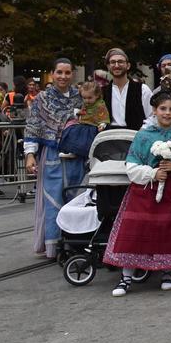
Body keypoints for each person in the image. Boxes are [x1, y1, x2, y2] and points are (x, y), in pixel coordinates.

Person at [105, 90, 171, 296]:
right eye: (163, 109)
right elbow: (132, 166)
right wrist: (153, 173)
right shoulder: (143, 136)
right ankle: (126, 277)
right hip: (145, 191)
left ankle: (167, 271)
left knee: (167, 231)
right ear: (154, 110)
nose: (167, 113)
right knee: (135, 232)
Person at [23, 59, 83, 259]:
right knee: (53, 199)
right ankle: (54, 247)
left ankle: (74, 244)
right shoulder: (42, 98)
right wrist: (30, 154)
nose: (63, 77)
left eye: (67, 72)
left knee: (75, 199)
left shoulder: (79, 96)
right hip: (51, 154)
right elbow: (33, 126)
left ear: (72, 74)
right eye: (59, 72)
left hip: (76, 156)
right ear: (52, 73)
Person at [57, 80, 110, 160]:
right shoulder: (85, 104)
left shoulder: (100, 105)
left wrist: (103, 124)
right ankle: (72, 151)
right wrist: (79, 113)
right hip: (83, 125)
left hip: (92, 127)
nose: (86, 100)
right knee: (72, 132)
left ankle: (88, 154)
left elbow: (104, 116)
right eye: (84, 98)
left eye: (89, 98)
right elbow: (82, 112)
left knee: (86, 141)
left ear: (97, 95)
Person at [102, 48, 152, 130]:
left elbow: (152, 116)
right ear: (108, 66)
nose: (116, 65)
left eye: (120, 62)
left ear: (128, 66)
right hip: (109, 137)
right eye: (113, 62)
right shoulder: (102, 92)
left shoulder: (142, 89)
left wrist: (143, 129)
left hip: (136, 136)